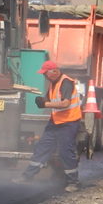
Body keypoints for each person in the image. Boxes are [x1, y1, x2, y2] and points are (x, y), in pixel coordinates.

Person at [24, 60, 83, 191]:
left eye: (46, 73)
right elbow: (49, 99)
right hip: (56, 122)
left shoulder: (66, 82)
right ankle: (27, 176)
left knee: (66, 152)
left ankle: (73, 182)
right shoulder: (53, 83)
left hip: (69, 122)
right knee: (42, 147)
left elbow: (65, 103)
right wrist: (42, 101)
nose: (44, 76)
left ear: (55, 71)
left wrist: (45, 104)